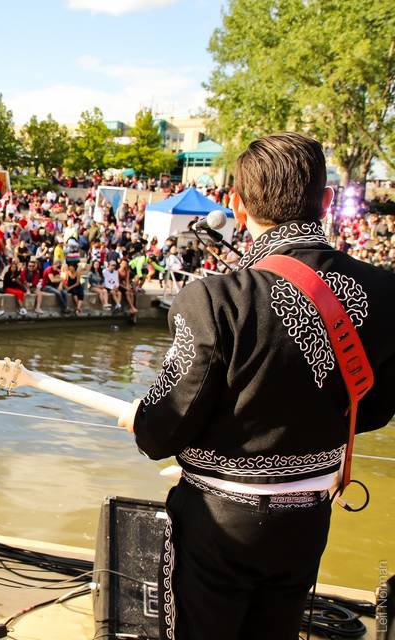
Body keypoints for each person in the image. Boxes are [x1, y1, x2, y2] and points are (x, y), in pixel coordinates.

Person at [119, 133, 395, 639]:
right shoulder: (384, 290)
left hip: (218, 524)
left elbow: (161, 431)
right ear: (326, 200)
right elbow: (374, 409)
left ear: (238, 207)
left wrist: (143, 416)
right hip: (308, 518)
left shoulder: (215, 299)